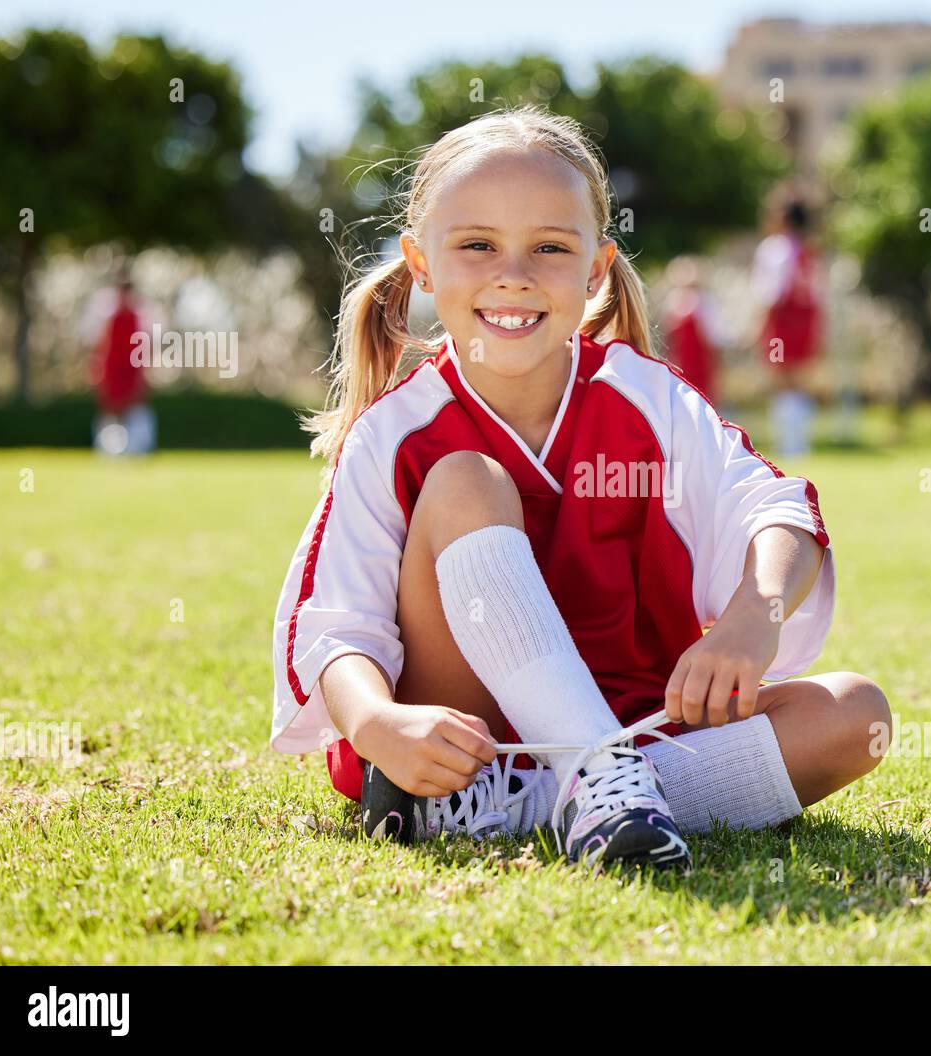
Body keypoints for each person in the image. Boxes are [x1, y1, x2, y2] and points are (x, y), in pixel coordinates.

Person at [270, 105, 890, 871]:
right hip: (468, 741)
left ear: (595, 268)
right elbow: (336, 626)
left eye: (549, 248)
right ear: (420, 262)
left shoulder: (647, 399)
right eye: (476, 245)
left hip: (638, 727)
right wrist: (374, 727)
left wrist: (749, 624)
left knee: (857, 714)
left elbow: (775, 510)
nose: (513, 274)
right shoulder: (396, 430)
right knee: (466, 480)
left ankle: (560, 801)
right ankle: (584, 785)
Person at [752, 192, 824, 457]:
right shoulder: (810, 250)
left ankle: (788, 445)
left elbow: (772, 293)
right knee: (799, 382)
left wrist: (760, 327)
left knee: (782, 381)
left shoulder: (777, 248)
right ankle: (799, 443)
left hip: (783, 323)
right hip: (805, 322)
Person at [88, 266, 156, 456]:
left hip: (132, 367)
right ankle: (108, 449)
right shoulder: (107, 315)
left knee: (135, 408)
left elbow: (144, 345)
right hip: (113, 367)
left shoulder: (140, 315)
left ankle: (139, 447)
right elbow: (100, 345)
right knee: (111, 409)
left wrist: (144, 372)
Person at [661, 255, 726, 406]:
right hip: (684, 361)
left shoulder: (701, 301)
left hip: (697, 361)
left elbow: (711, 335)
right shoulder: (676, 300)